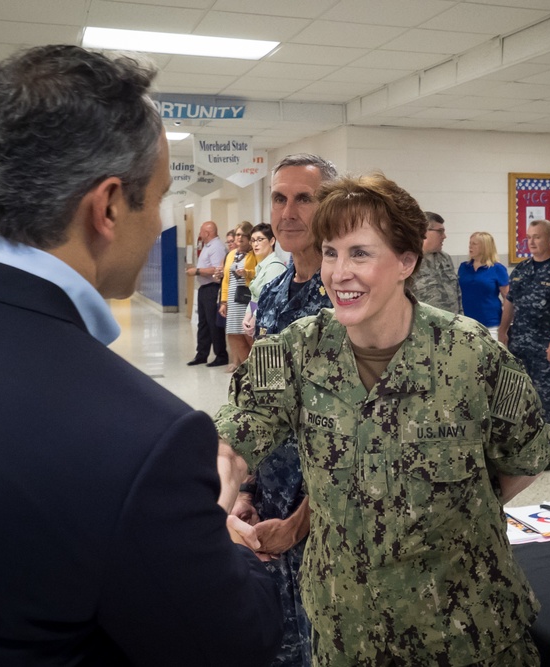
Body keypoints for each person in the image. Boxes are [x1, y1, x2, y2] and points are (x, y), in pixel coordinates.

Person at [0, 44, 280, 665]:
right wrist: (211, 525)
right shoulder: (141, 439)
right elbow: (237, 643)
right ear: (110, 205)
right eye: (160, 196)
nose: (160, 222)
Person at [217, 172, 550, 666]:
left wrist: (444, 515)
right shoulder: (293, 352)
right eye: (330, 252)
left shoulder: (471, 355)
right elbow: (232, 443)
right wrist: (214, 506)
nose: (338, 272)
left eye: (360, 253)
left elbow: (526, 457)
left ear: (406, 261)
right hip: (345, 632)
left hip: (466, 634)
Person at [231, 153, 336, 667]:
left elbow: (366, 436)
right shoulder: (271, 295)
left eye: (304, 198)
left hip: (329, 519)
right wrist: (248, 489)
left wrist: (300, 522)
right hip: (273, 508)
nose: (288, 212)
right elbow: (260, 406)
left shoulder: (348, 302)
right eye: (279, 198)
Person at [499, 219, 550, 471]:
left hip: (548, 347)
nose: (531, 242)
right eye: (528, 237)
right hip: (520, 344)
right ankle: (526, 444)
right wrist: (502, 330)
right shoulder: (521, 270)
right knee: (520, 397)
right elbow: (510, 302)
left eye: (537, 237)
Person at [185, 220, 227, 366]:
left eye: (201, 231)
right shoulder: (207, 246)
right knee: (203, 324)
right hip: (204, 289)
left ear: (207, 233)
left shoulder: (217, 247)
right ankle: (201, 354)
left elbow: (217, 270)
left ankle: (221, 355)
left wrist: (196, 271)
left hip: (212, 289)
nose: (199, 234)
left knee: (213, 324)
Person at [219, 221, 258, 372]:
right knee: (234, 334)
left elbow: (259, 272)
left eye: (243, 235)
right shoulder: (230, 255)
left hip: (248, 299)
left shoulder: (254, 254)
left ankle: (255, 369)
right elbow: (226, 280)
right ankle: (245, 368)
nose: (239, 238)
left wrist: (247, 273)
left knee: (248, 334)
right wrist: (223, 301)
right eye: (237, 235)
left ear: (249, 237)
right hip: (233, 300)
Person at [459, 230, 509, 337]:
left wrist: (505, 327)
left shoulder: (497, 268)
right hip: (468, 323)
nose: (470, 247)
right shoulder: (464, 267)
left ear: (485, 247)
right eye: (469, 243)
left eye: (474, 244)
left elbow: (508, 298)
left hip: (491, 324)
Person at [241, 222, 286, 338]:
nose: (255, 244)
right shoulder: (261, 267)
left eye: (260, 239)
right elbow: (255, 297)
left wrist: (254, 318)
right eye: (253, 240)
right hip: (261, 322)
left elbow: (269, 300)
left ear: (272, 241)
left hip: (272, 325)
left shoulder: (275, 266)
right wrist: (248, 316)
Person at [411, 211, 462, 313]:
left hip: (452, 324)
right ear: (424, 232)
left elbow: (457, 292)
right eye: (440, 231)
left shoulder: (445, 258)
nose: (444, 236)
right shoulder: (409, 261)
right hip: (424, 326)